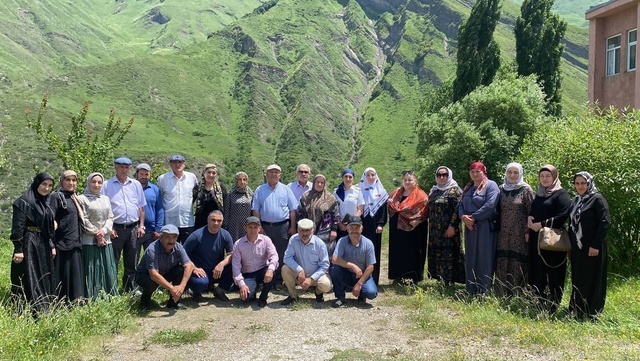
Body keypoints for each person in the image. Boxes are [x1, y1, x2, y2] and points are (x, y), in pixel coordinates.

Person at [527, 165, 571, 313]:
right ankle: (538, 302)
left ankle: (552, 305)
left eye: (548, 176)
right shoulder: (539, 194)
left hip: (552, 241)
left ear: (554, 177)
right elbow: (534, 210)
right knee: (538, 270)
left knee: (553, 271)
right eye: (542, 176)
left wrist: (541, 224)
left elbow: (563, 216)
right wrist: (529, 219)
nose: (545, 179)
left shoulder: (561, 194)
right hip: (536, 238)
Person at [10, 172, 57, 314]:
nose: (46, 188)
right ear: (37, 183)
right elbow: (17, 227)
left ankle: (43, 309)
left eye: (50, 186)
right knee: (29, 275)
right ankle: (28, 310)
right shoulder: (23, 202)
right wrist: (18, 249)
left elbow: (48, 228)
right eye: (44, 184)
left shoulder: (46, 203)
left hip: (42, 243)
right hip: (28, 243)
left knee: (42, 274)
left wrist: (51, 245)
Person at [569, 171, 610, 319]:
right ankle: (577, 309)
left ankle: (592, 311)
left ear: (589, 183)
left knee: (593, 277)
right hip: (577, 247)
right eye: (577, 183)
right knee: (578, 277)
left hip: (592, 246)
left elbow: (605, 223)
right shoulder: (576, 200)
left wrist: (596, 245)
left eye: (583, 183)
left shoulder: (597, 199)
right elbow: (571, 224)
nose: (580, 186)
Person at [103, 157, 146, 292]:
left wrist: (141, 225)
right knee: (113, 261)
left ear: (130, 169)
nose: (124, 170)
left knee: (132, 260)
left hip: (133, 227)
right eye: (121, 167)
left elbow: (141, 207)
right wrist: (109, 228)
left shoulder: (135, 185)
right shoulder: (106, 185)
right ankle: (112, 289)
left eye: (126, 167)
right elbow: (103, 208)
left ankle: (130, 288)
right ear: (115, 167)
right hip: (116, 228)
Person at [251, 164, 298, 285]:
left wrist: (293, 227)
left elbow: (293, 210)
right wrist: (259, 227)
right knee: (263, 252)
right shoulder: (260, 189)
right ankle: (265, 279)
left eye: (276, 172)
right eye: (271, 172)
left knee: (282, 252)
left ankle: (278, 279)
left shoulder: (286, 189)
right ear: (266, 174)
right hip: (265, 226)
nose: (273, 174)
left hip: (283, 226)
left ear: (280, 175)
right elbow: (255, 209)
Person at [459, 162, 500, 294]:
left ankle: (484, 289)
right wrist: (463, 217)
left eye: (478, 171)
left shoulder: (491, 185)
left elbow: (490, 205)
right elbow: (461, 204)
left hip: (484, 226)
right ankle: (471, 288)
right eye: (472, 171)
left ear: (484, 172)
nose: (475, 174)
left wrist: (474, 217)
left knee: (484, 256)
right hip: (470, 227)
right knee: (471, 256)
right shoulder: (468, 187)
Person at [77, 173, 118, 298]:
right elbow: (82, 218)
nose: (96, 185)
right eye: (93, 182)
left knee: (106, 266)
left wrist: (104, 231)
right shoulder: (81, 199)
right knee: (91, 267)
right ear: (88, 183)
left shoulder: (105, 198)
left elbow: (110, 217)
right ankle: (91, 295)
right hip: (89, 239)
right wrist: (96, 232)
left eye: (99, 182)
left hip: (105, 239)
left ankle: (108, 294)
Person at [495, 163, 534, 295]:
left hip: (520, 233)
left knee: (517, 261)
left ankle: (517, 292)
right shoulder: (500, 189)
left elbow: (531, 212)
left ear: (520, 174)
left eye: (515, 172)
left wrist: (528, 231)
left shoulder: (526, 189)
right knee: (502, 260)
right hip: (502, 233)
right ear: (506, 173)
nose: (512, 175)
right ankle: (500, 291)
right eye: (509, 172)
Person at [135, 224, 194, 310]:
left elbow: (189, 266)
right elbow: (153, 274)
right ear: (160, 237)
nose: (171, 240)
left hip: (165, 273)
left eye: (174, 237)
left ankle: (174, 303)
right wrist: (172, 289)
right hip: (146, 275)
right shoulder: (152, 249)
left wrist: (181, 286)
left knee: (181, 270)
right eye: (167, 237)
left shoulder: (178, 247)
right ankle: (144, 304)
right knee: (151, 283)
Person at [387, 170, 429, 284]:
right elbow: (390, 205)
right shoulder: (396, 193)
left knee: (413, 252)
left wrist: (418, 220)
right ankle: (398, 276)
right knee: (398, 251)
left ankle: (414, 277)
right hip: (397, 229)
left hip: (415, 229)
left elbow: (425, 211)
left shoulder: (421, 195)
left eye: (410, 180)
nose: (407, 182)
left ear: (415, 181)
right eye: (405, 180)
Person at [50, 170, 85, 302]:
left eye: (74, 180)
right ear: (62, 181)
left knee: (74, 274)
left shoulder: (74, 197)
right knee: (62, 274)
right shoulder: (56, 197)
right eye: (68, 180)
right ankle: (60, 302)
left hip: (74, 242)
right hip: (61, 243)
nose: (71, 183)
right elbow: (51, 218)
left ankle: (75, 301)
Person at [184, 210, 234, 302]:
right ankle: (196, 291)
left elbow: (231, 255)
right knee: (201, 283)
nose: (216, 223)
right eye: (213, 220)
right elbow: (183, 255)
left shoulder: (225, 235)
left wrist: (221, 264)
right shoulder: (196, 235)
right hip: (199, 270)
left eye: (219, 221)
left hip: (216, 270)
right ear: (208, 220)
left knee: (235, 266)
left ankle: (219, 291)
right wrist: (194, 268)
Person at [427, 166, 465, 286]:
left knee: (449, 253)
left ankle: (450, 280)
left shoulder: (455, 190)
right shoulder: (434, 191)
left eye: (445, 175)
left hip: (449, 228)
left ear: (449, 176)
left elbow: (458, 209)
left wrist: (452, 226)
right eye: (439, 175)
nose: (442, 177)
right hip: (434, 229)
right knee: (437, 251)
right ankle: (440, 278)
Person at [280, 218, 331, 305]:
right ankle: (293, 296)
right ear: (297, 230)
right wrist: (300, 270)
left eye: (307, 230)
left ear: (313, 231)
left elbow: (325, 265)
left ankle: (318, 293)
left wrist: (311, 279)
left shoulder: (320, 244)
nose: (304, 233)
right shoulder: (293, 239)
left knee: (326, 285)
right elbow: (287, 258)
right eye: (302, 230)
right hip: (299, 275)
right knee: (285, 269)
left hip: (315, 275)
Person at [330, 216, 377, 307]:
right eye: (351, 227)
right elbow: (334, 259)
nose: (354, 230)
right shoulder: (342, 241)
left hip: (361, 275)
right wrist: (352, 266)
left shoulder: (368, 243)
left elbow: (371, 267)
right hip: (347, 273)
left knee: (371, 293)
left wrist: (359, 283)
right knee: (334, 269)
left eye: (357, 227)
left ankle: (362, 296)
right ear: (347, 229)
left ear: (362, 228)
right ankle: (340, 297)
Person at [232, 216, 279, 308]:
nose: (253, 230)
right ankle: (253, 291)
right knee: (245, 299)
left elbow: (274, 256)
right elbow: (236, 266)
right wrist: (241, 284)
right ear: (245, 228)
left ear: (259, 229)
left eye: (255, 227)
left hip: (263, 270)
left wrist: (270, 269)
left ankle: (263, 297)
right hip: (249, 274)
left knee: (272, 272)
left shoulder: (266, 240)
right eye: (250, 227)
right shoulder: (238, 244)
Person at [157, 154, 198, 243]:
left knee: (187, 251)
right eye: (174, 162)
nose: (177, 165)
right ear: (170, 164)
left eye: (180, 162)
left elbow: (195, 195)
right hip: (170, 221)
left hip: (187, 221)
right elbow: (159, 199)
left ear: (184, 164)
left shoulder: (192, 177)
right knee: (169, 250)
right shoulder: (163, 179)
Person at [296, 174, 339, 257]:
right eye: (317, 182)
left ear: (324, 184)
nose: (319, 184)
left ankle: (326, 269)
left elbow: (336, 215)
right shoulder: (305, 196)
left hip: (325, 231)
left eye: (322, 182)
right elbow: (300, 212)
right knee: (309, 254)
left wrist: (334, 229)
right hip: (308, 231)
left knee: (325, 253)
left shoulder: (330, 198)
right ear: (314, 183)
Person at [359, 167, 388, 285]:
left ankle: (374, 279)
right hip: (362, 226)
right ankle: (360, 277)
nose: (371, 178)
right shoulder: (359, 190)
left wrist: (381, 224)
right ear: (364, 177)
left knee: (374, 251)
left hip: (375, 227)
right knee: (361, 250)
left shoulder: (382, 191)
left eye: (373, 175)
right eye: (368, 175)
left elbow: (383, 210)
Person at [135, 163, 164, 263]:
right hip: (134, 230)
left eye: (146, 174)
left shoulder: (155, 189)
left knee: (152, 260)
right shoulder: (131, 187)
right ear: (137, 174)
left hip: (151, 231)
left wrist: (158, 229)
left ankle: (149, 278)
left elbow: (160, 209)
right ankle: (132, 279)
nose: (144, 177)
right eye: (141, 174)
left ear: (150, 175)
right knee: (133, 260)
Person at [193, 163, 227, 230]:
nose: (211, 175)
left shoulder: (221, 188)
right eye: (208, 172)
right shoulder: (198, 188)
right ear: (204, 173)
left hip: (216, 223)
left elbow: (225, 206)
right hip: (201, 224)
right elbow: (191, 203)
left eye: (213, 173)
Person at [334, 169, 364, 240]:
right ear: (342, 178)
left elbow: (360, 209)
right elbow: (334, 210)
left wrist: (352, 221)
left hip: (354, 225)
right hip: (341, 225)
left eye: (350, 177)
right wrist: (340, 224)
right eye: (346, 176)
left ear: (353, 179)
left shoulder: (358, 191)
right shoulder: (336, 192)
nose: (348, 179)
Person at [223, 171, 254, 242]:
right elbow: (227, 212)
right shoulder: (230, 194)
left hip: (247, 226)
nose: (242, 182)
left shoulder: (251, 194)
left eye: (244, 179)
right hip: (234, 226)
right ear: (236, 181)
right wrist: (225, 227)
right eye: (239, 179)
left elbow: (252, 211)